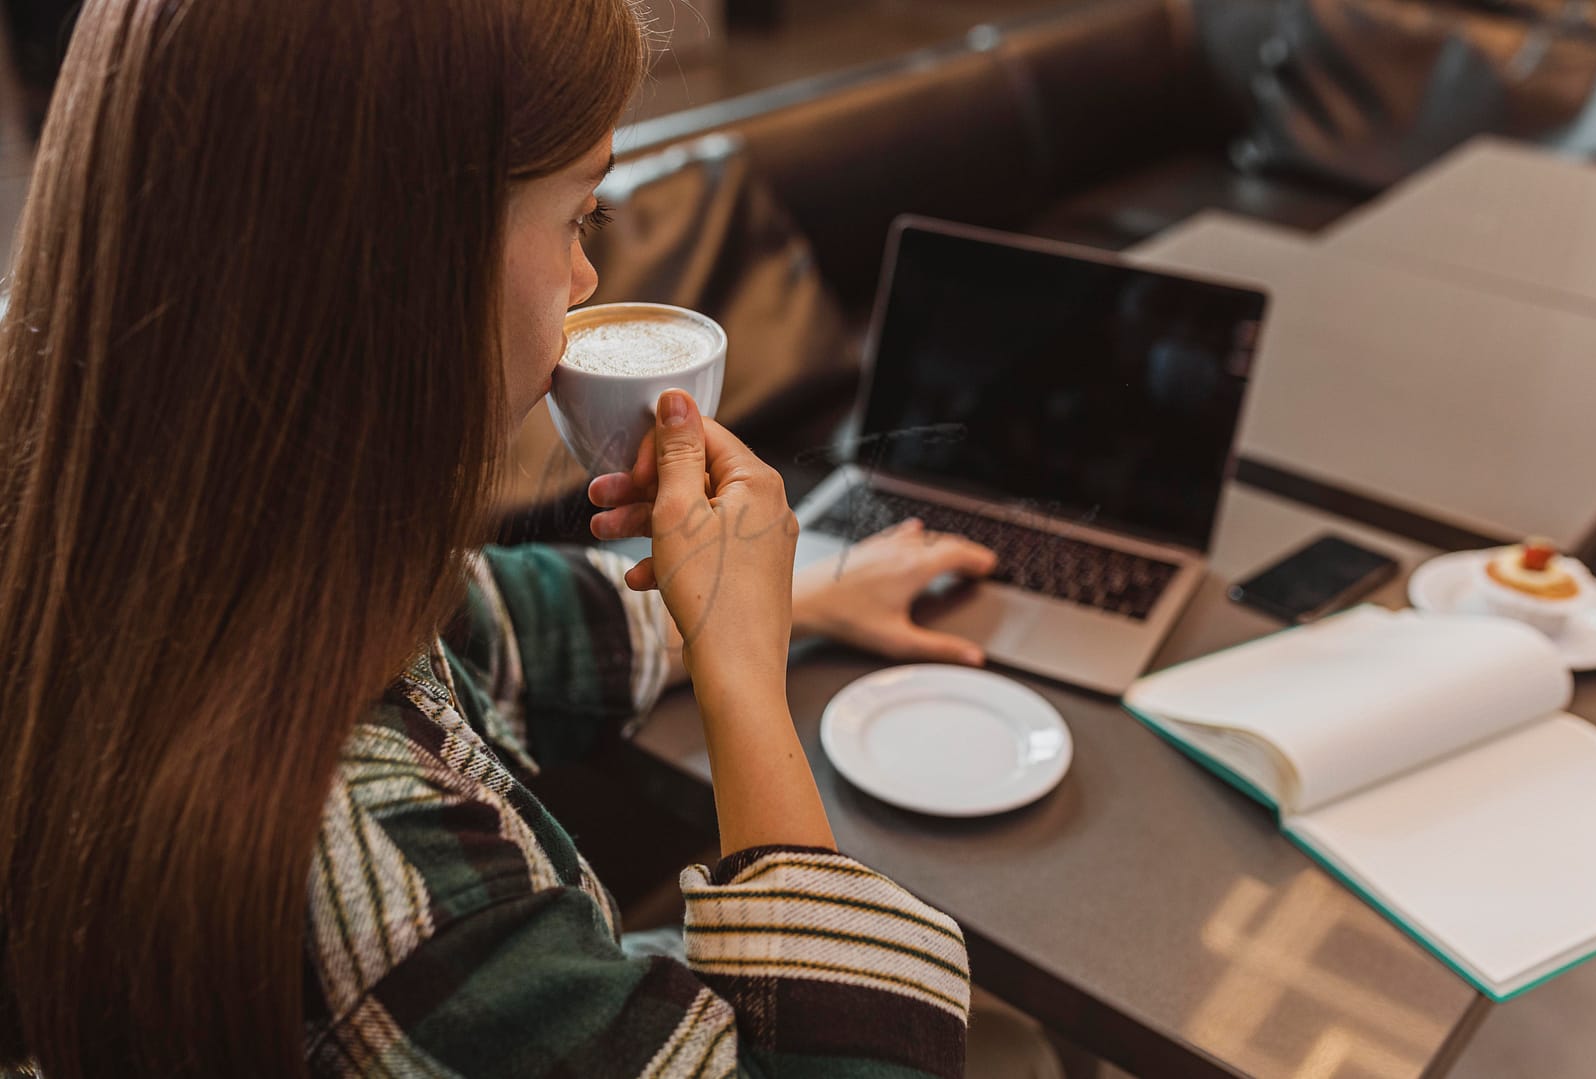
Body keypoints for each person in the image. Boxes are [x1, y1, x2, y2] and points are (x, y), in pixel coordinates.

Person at [0, 1, 1012, 1076]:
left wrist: (792, 595)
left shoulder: (150, 546)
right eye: (579, 216)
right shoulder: (384, 883)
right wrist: (745, 682)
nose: (584, 281)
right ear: (398, 266)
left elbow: (482, 617)